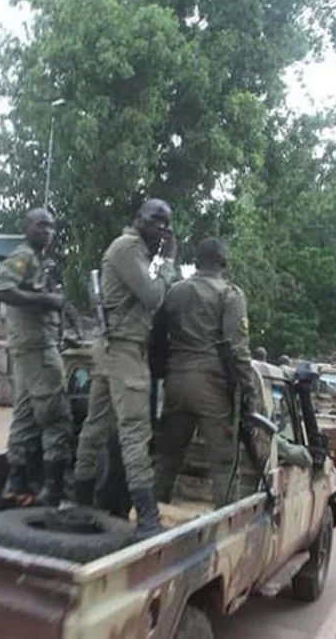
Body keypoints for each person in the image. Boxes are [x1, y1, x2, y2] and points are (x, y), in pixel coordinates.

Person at [72, 199, 181, 538]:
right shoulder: (128, 247)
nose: (162, 228)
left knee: (96, 428)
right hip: (124, 352)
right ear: (138, 220)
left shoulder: (137, 252)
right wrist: (169, 263)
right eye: (155, 220)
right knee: (135, 433)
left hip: (113, 349)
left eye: (167, 223)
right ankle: (147, 516)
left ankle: (81, 501)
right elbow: (152, 297)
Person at [151, 238, 255, 508]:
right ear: (224, 263)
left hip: (175, 379)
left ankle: (149, 516)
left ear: (196, 262)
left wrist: (163, 374)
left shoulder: (174, 292)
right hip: (212, 384)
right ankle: (226, 526)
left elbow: (156, 339)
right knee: (223, 463)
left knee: (167, 457)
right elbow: (237, 350)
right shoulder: (230, 295)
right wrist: (248, 393)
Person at [0, 208, 75, 506]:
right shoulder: (23, 255)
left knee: (26, 415)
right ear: (27, 228)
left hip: (31, 346)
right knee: (57, 416)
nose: (48, 231)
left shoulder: (39, 261)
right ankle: (53, 488)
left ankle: (15, 481)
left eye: (52, 226)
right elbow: (3, 289)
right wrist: (46, 300)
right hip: (38, 347)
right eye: (41, 225)